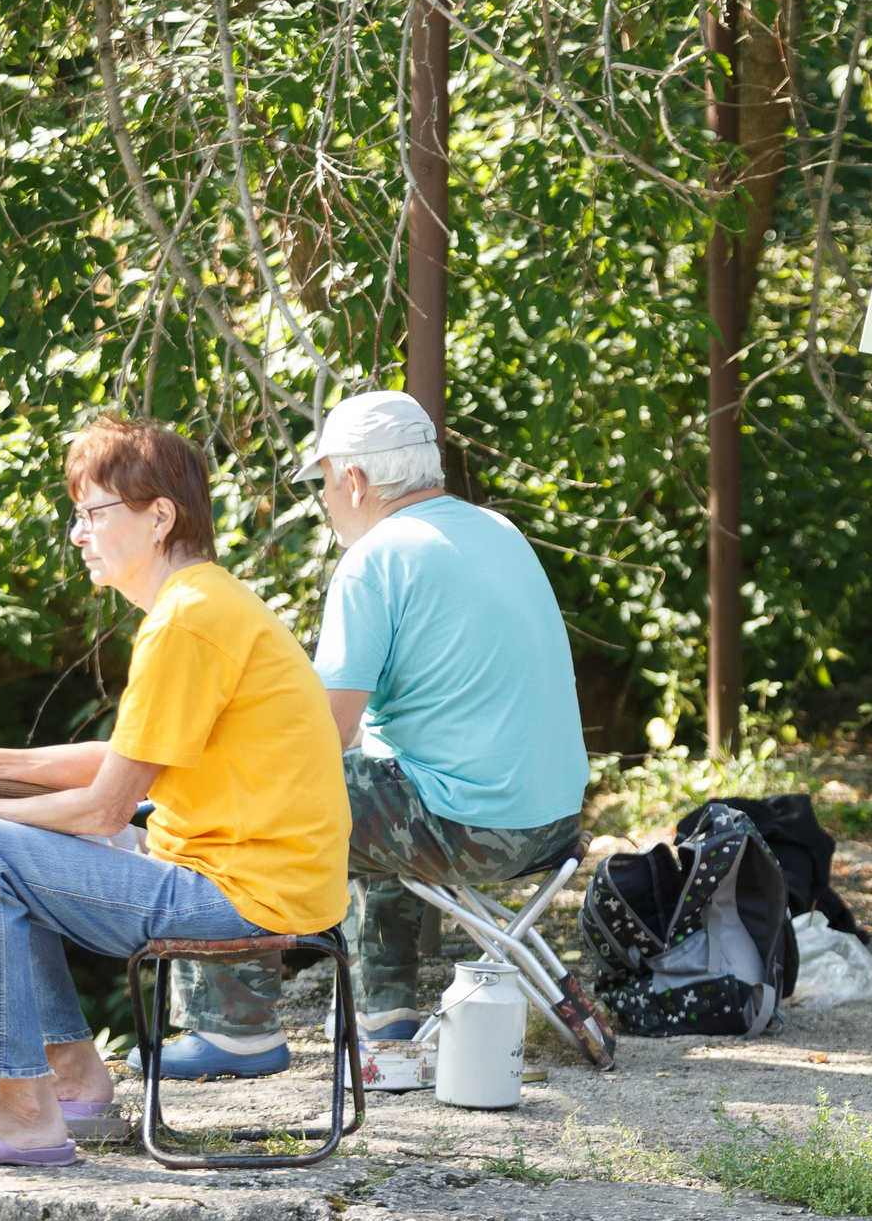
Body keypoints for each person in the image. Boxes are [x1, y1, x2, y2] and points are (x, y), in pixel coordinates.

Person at [0, 416, 349, 1166]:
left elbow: (106, 806)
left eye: (93, 512)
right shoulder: (204, 604)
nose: (78, 533)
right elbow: (130, 758)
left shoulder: (188, 621)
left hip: (244, 894)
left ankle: (24, 1112)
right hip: (262, 881)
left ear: (158, 515)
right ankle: (68, 1078)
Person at [137, 390, 590, 1075]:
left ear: (355, 480)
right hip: (552, 823)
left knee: (242, 792)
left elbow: (320, 739)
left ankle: (231, 1027)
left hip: (473, 829)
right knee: (383, 777)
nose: (325, 500)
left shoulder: (376, 557)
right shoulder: (497, 529)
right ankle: (385, 1011)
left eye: (324, 482)